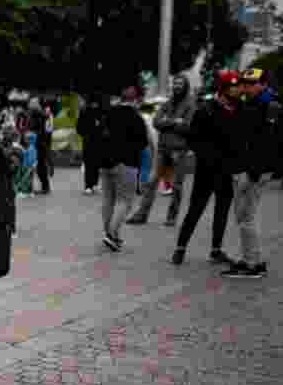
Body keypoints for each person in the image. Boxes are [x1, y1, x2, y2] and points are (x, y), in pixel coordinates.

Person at [171, 71, 245, 266]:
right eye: (233, 87)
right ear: (223, 89)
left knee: (222, 210)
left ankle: (216, 250)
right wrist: (208, 157)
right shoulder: (206, 110)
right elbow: (193, 139)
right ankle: (180, 248)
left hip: (228, 171)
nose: (237, 90)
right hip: (207, 170)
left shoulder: (240, 109)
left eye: (238, 86)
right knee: (196, 209)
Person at [222, 68, 278, 279]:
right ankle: (251, 259)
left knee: (247, 217)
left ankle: (252, 264)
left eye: (251, 83)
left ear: (263, 84)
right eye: (244, 83)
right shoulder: (253, 104)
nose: (246, 87)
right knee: (244, 217)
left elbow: (266, 144)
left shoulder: (267, 106)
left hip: (254, 170)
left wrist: (253, 172)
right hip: (248, 168)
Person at [128, 75, 196, 226]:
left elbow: (188, 126)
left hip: (179, 149)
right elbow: (156, 122)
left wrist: (168, 122)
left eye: (180, 84)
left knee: (177, 186)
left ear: (186, 86)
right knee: (151, 182)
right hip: (163, 148)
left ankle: (172, 217)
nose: (177, 86)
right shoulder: (167, 104)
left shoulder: (190, 105)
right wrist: (175, 122)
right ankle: (142, 214)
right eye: (175, 83)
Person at [99, 85, 149, 252]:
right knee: (124, 201)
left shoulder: (109, 113)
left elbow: (100, 134)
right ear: (135, 100)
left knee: (108, 200)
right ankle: (112, 235)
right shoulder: (135, 117)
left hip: (105, 162)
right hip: (126, 163)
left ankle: (109, 233)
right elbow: (143, 142)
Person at [77, 94, 107, 195]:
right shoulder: (102, 112)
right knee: (95, 164)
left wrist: (86, 133)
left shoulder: (85, 111)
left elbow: (79, 128)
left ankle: (90, 185)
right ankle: (92, 184)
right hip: (97, 141)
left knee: (90, 164)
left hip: (89, 141)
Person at [28, 97, 52, 193]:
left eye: (31, 103)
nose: (29, 105)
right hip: (40, 142)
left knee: (40, 166)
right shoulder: (39, 114)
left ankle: (45, 187)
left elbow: (37, 128)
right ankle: (45, 186)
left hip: (39, 142)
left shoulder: (37, 114)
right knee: (40, 165)